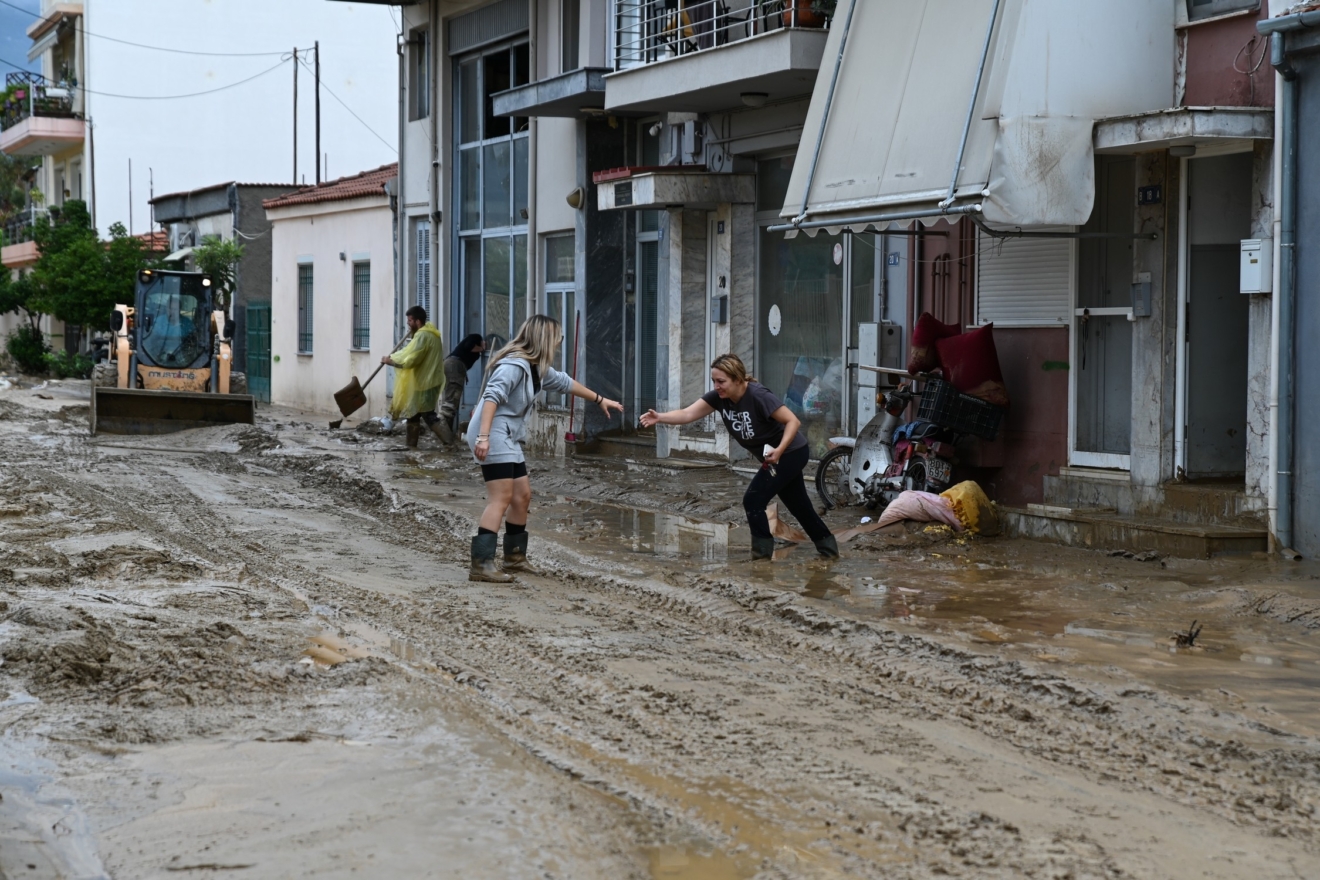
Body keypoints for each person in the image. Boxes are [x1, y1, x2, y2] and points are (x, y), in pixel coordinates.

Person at [466, 314, 623, 582]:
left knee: (522, 496)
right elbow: (491, 398)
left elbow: (565, 382)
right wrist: (483, 437)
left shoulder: (536, 367)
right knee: (501, 498)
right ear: (545, 339)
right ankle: (481, 564)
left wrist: (600, 399)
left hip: (508, 434)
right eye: (558, 336)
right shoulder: (514, 366)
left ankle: (514, 558)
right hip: (492, 432)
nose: (560, 341)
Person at [641, 353, 838, 561]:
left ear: (737, 379)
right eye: (714, 381)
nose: (716, 386)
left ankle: (761, 558)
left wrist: (779, 450)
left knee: (753, 499)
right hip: (775, 456)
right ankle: (828, 549)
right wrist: (660, 417)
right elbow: (688, 414)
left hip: (790, 453)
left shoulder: (758, 396)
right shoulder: (719, 398)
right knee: (799, 506)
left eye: (721, 381)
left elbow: (793, 422)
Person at [382, 306, 452, 447]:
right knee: (413, 415)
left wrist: (392, 361)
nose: (408, 323)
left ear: (418, 321)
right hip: (427, 381)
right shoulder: (432, 334)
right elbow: (408, 351)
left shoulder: (422, 336)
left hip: (425, 383)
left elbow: (412, 359)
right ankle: (411, 447)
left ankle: (450, 444)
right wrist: (394, 357)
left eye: (410, 320)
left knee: (428, 415)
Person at [440, 333, 486, 436]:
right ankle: (445, 436)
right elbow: (469, 346)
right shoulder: (476, 337)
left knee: (451, 401)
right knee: (451, 403)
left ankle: (446, 434)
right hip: (454, 366)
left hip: (451, 365)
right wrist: (482, 349)